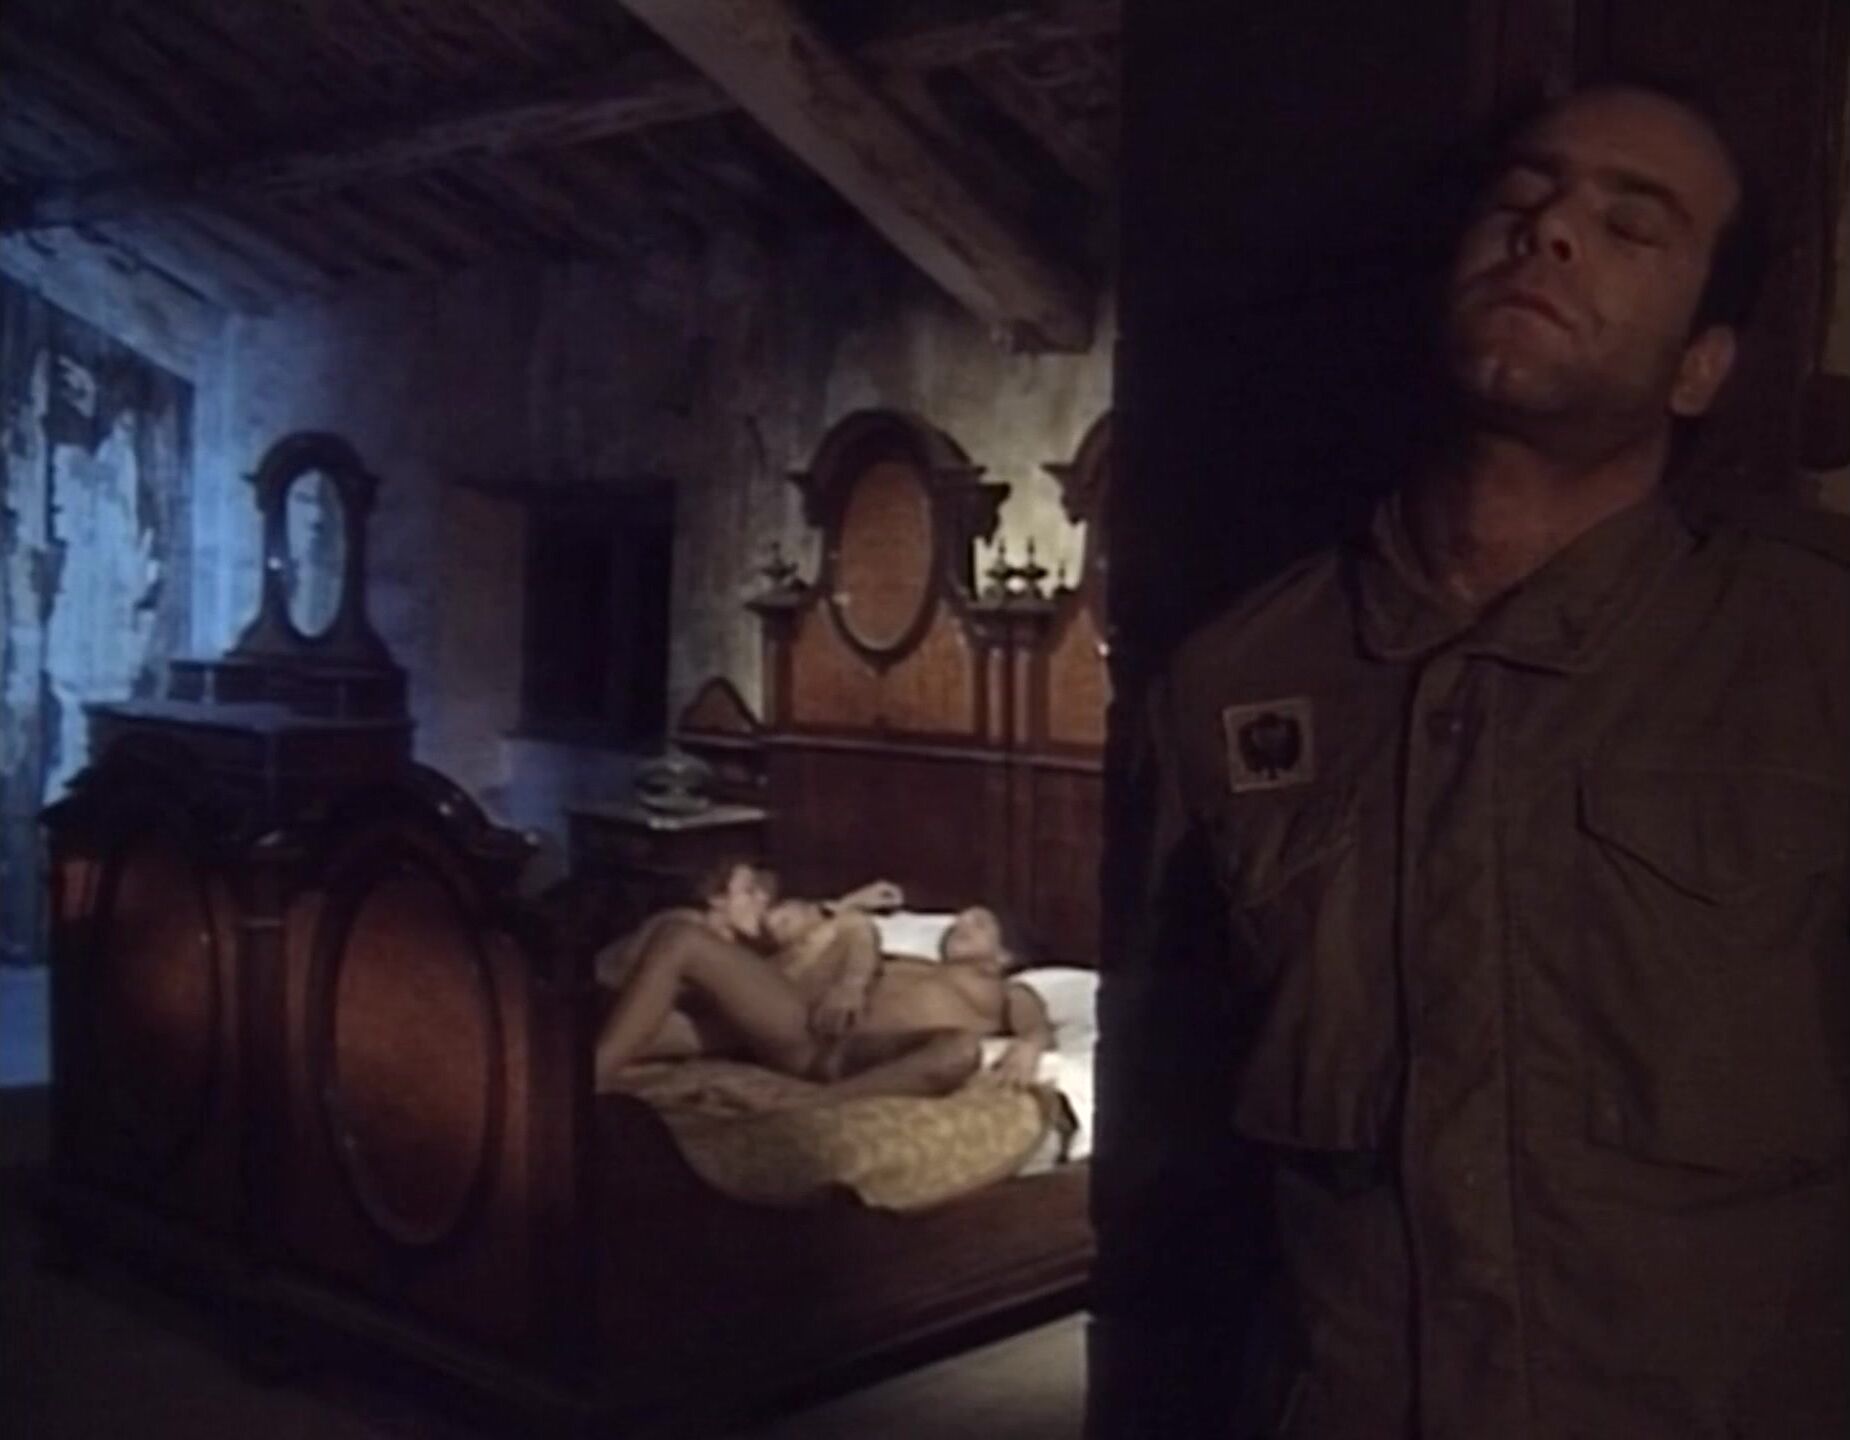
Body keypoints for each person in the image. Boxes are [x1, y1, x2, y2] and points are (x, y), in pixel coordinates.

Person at [1092, 81, 1848, 1439]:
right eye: (1521, 195)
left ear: (1699, 366)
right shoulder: (1232, 683)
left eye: (1630, 226)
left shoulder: (1811, 656)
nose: (1549, 229)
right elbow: (1165, 1159)